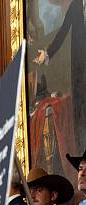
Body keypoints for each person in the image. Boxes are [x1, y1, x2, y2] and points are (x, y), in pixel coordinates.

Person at [34, 0, 86, 151]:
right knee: (81, 112)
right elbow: (63, 31)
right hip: (80, 70)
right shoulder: (76, 5)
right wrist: (48, 53)